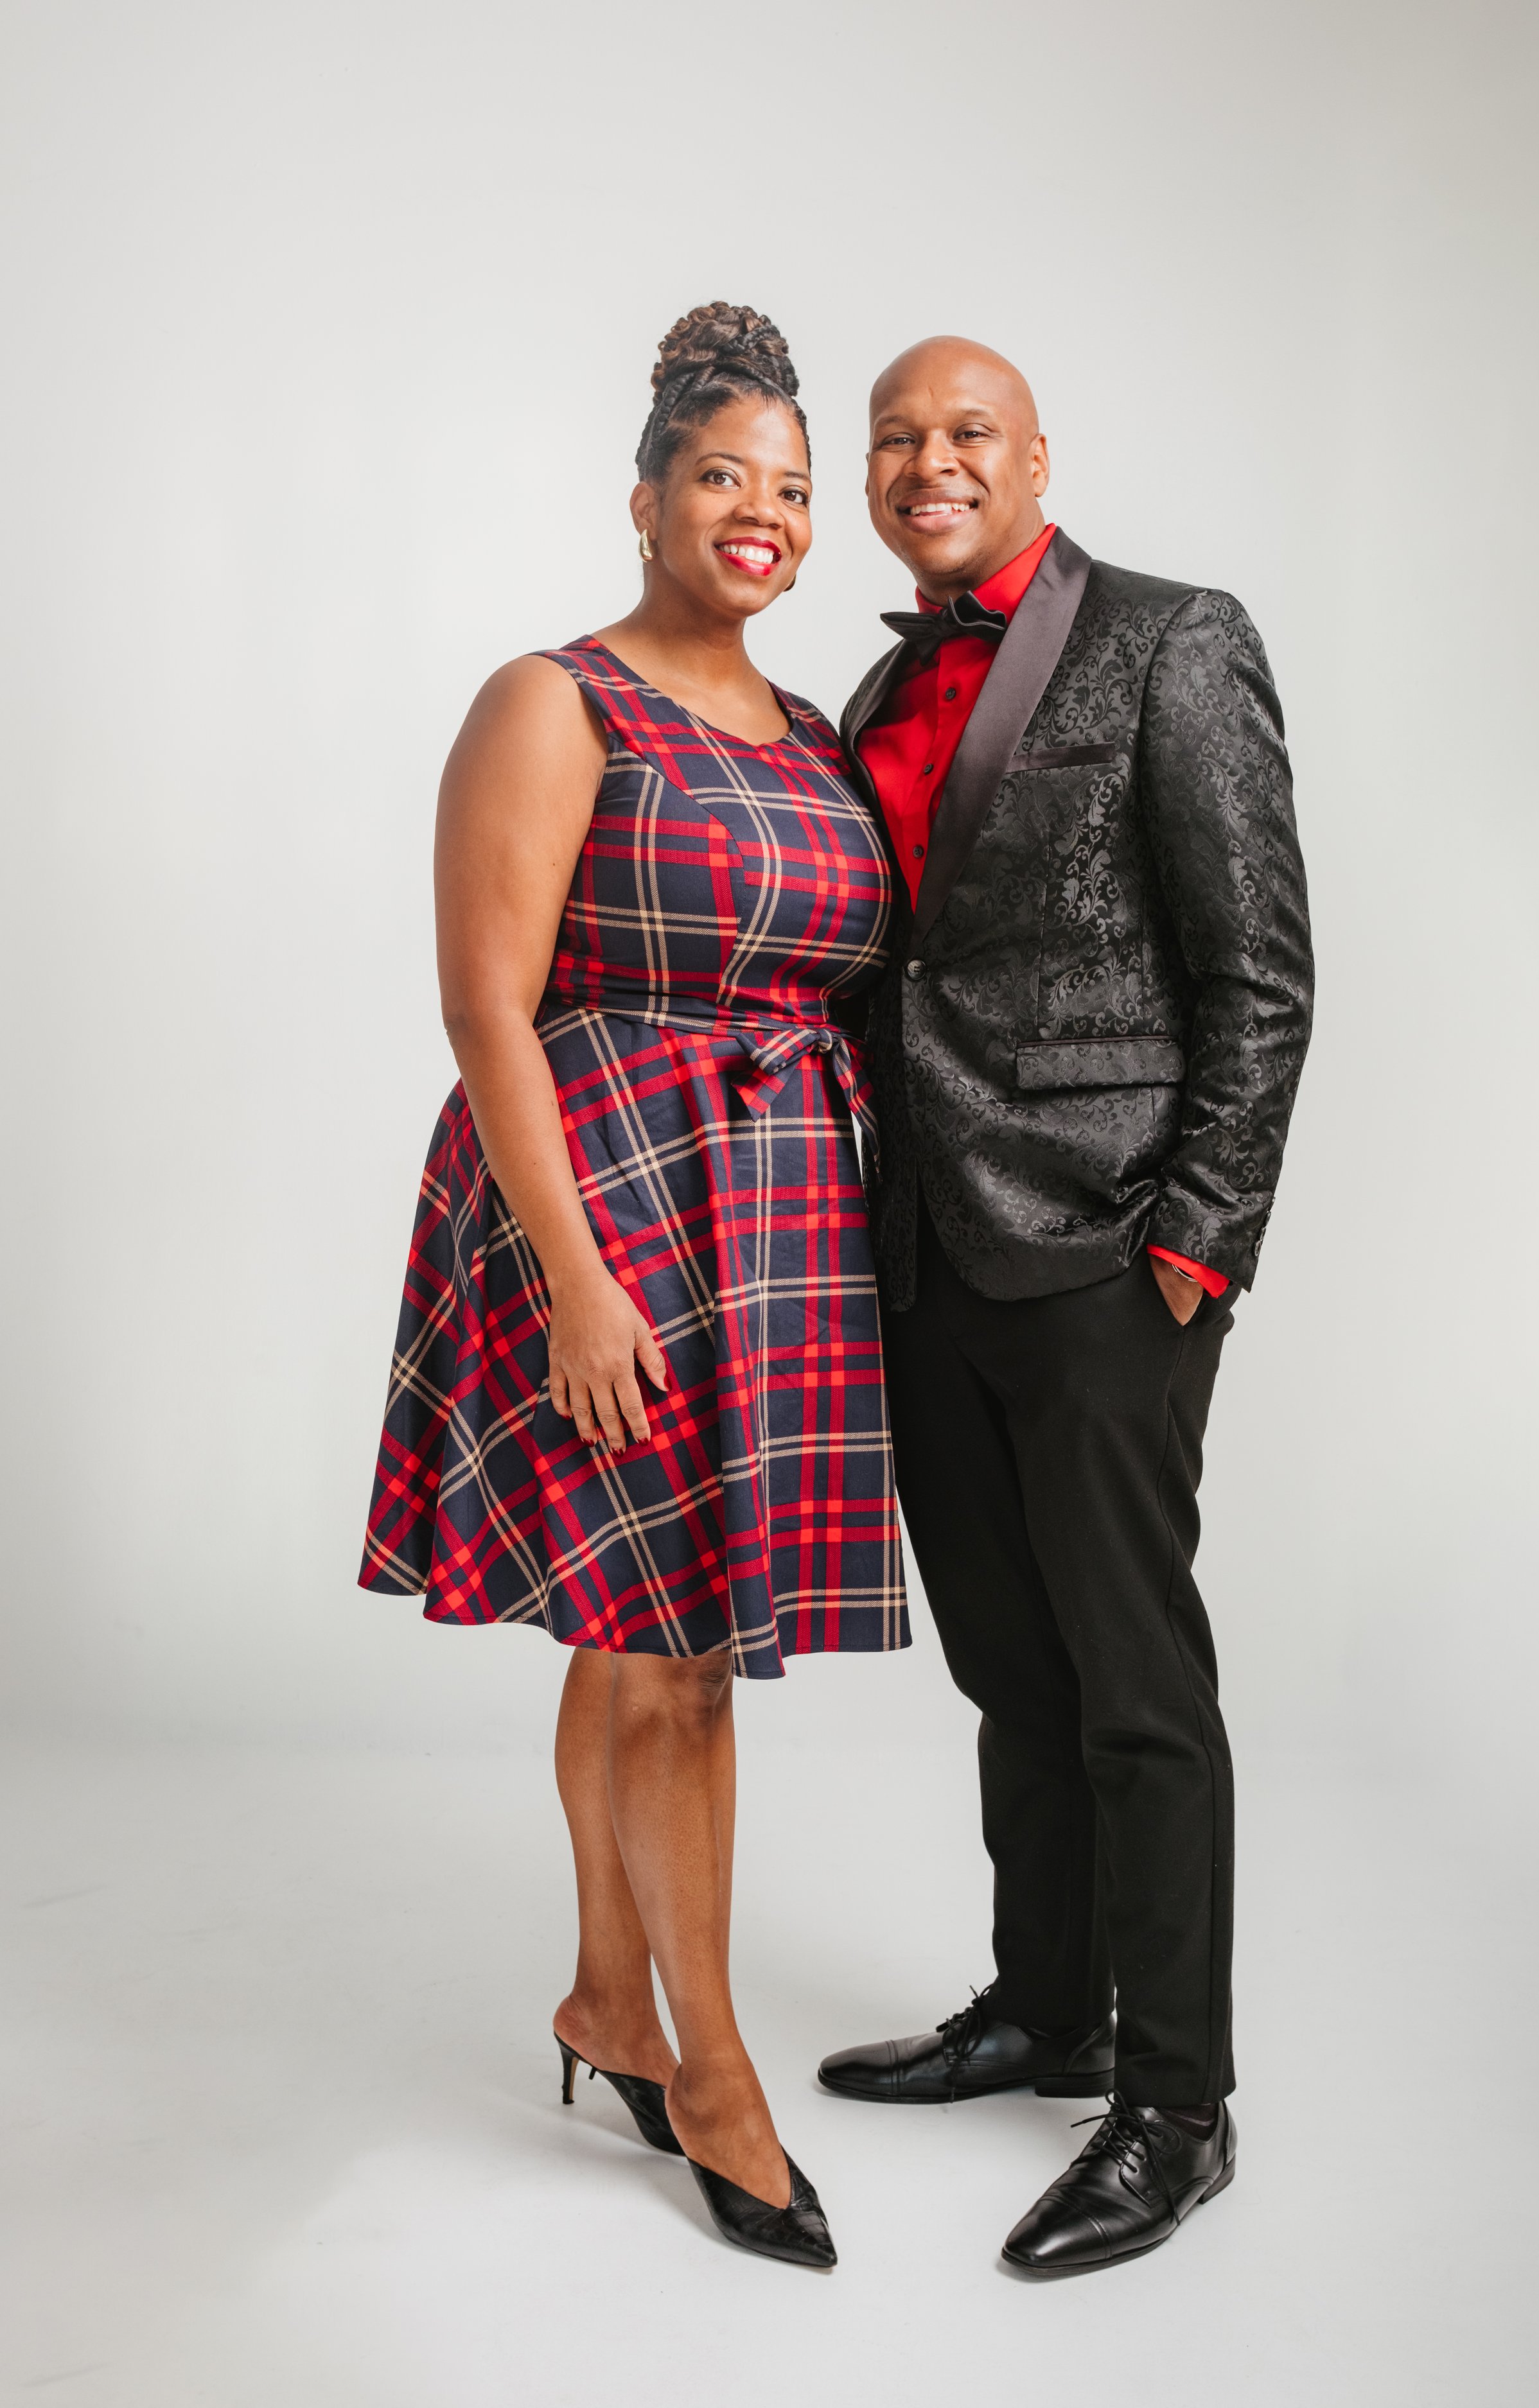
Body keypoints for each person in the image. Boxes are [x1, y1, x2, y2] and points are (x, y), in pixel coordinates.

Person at [360, 303, 908, 2270]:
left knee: (634, 1628)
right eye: (719, 476)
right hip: (602, 1202)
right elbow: (482, 1007)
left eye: (789, 487)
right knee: (674, 1657)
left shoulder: (813, 732)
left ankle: (608, 1995)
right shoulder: (553, 699)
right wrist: (575, 1283)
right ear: (645, 499)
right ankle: (718, 2079)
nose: (760, 512)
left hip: (775, 1222)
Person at [817, 338, 1314, 2274]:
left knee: (1134, 1692)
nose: (925, 462)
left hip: (1112, 1252)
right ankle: (1048, 2011)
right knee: (1009, 1674)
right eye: (895, 438)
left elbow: (1259, 968)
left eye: (965, 433)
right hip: (922, 1253)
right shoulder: (881, 685)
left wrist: (1200, 1237)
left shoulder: (1176, 640)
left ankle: (1177, 2106)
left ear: (1035, 457)